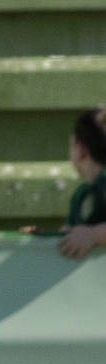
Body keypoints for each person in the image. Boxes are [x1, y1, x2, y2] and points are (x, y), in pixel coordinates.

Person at [57, 104, 106, 259]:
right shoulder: (82, 195)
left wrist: (94, 235)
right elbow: (70, 231)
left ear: (80, 148)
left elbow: (86, 233)